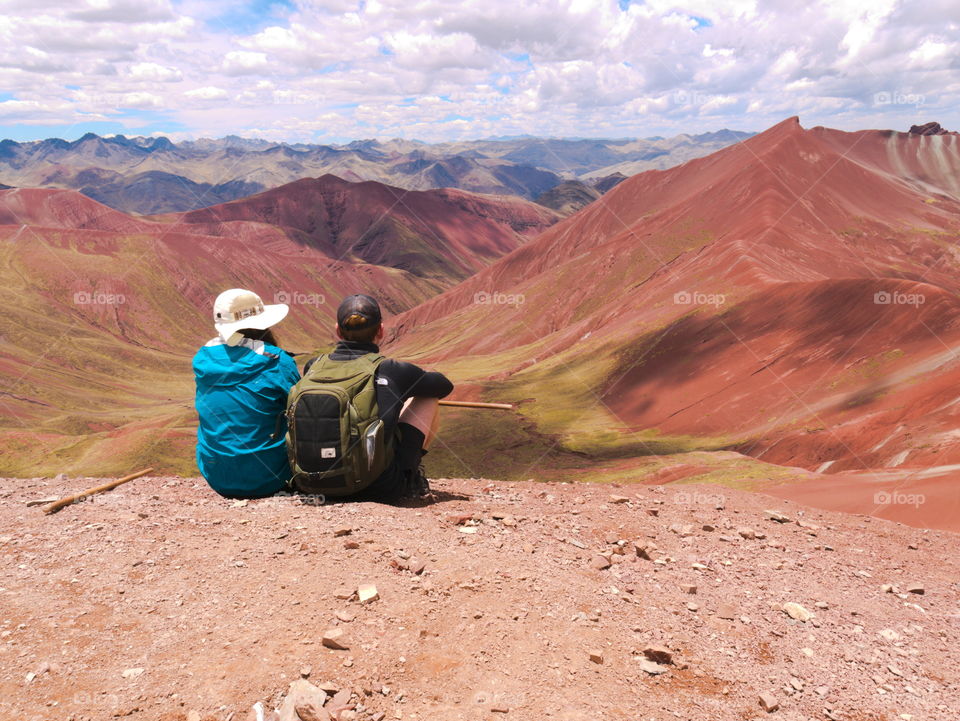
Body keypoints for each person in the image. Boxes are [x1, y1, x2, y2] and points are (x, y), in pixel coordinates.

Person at [303, 293, 454, 500]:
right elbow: (444, 386)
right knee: (427, 398)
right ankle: (410, 474)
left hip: (312, 484)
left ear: (338, 331)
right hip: (379, 487)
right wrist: (402, 389)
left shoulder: (313, 366)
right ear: (381, 331)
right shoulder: (391, 370)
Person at [193, 288, 300, 498]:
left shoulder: (203, 362)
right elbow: (301, 408)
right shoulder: (276, 360)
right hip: (271, 478)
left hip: (217, 477)